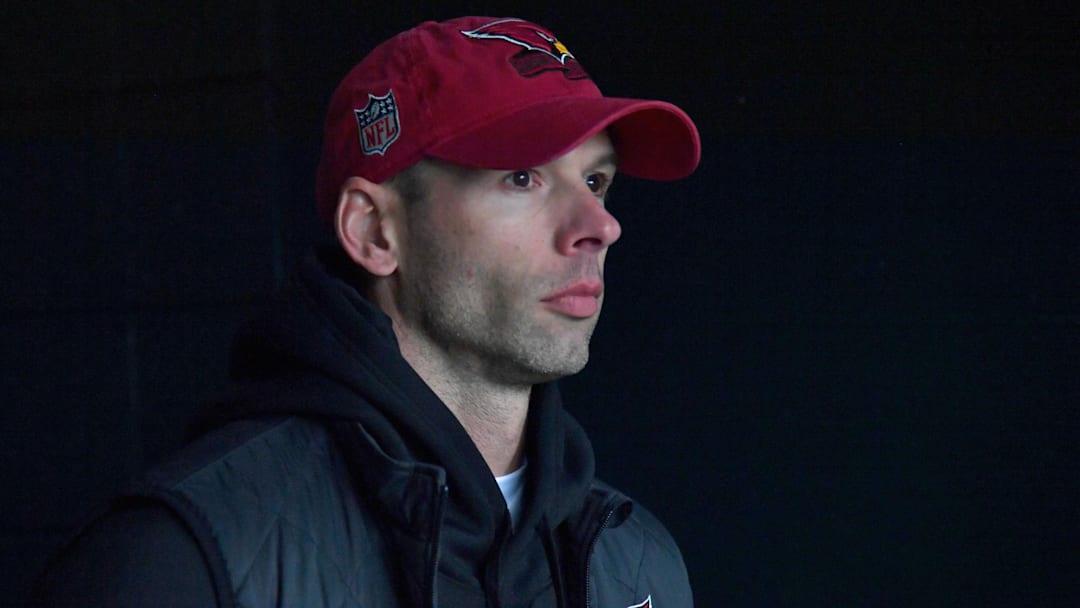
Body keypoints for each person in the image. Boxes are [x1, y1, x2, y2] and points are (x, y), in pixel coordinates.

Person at [29, 16, 701, 607]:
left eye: (596, 180)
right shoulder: (186, 557)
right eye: (522, 177)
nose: (598, 225)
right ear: (376, 233)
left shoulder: (636, 564)